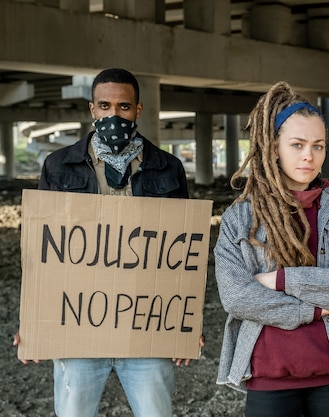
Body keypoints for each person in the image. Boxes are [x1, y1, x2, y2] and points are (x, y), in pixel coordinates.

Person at [14, 68, 202, 417]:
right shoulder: (58, 166)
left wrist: (185, 325)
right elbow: (42, 253)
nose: (114, 115)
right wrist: (32, 321)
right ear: (92, 110)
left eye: (124, 107)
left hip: (147, 327)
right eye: (105, 106)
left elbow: (181, 255)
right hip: (77, 327)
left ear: (138, 110)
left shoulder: (168, 168)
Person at [214, 81, 329, 417]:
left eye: (318, 146)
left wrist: (279, 280)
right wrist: (318, 308)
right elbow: (236, 297)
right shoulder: (240, 216)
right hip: (269, 372)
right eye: (297, 144)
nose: (309, 155)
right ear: (274, 147)